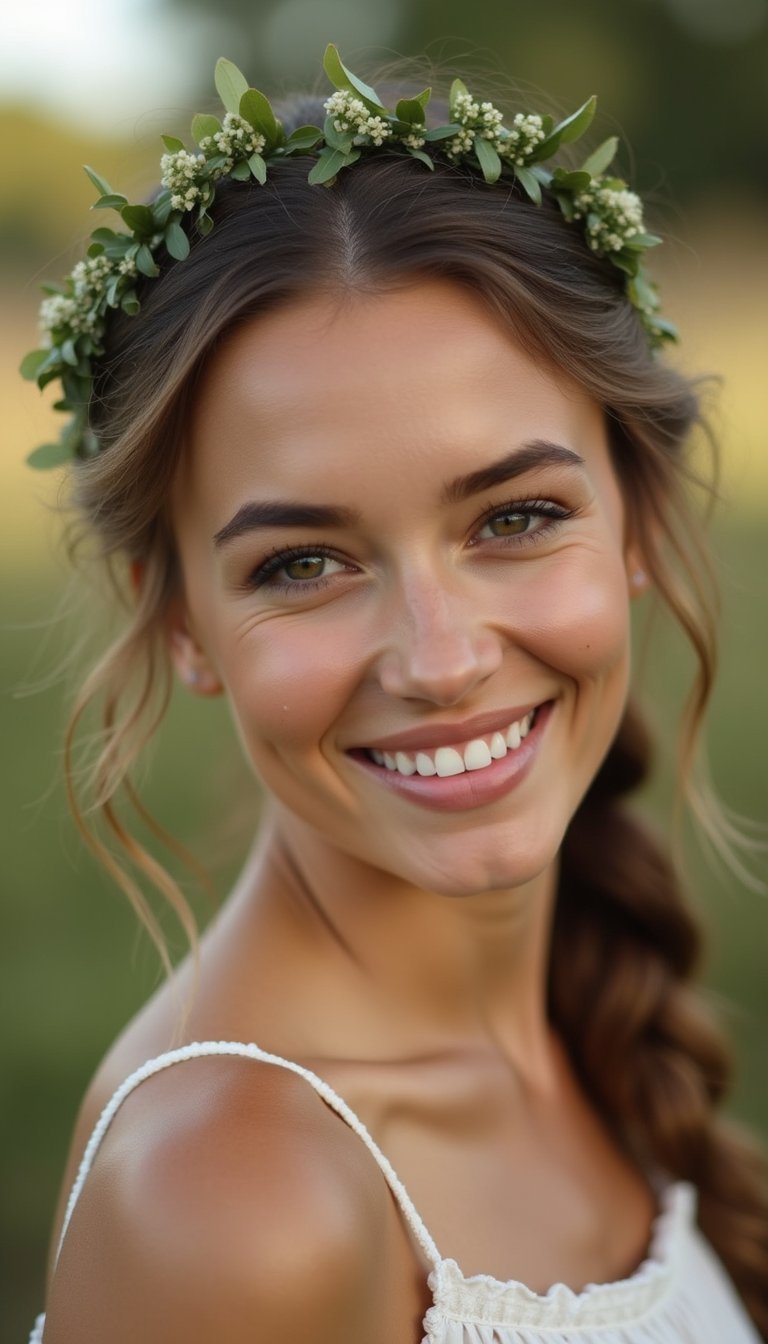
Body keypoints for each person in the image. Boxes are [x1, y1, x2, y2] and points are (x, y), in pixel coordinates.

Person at [22, 45, 768, 1344]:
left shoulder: (581, 1040)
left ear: (637, 520)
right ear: (182, 617)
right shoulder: (238, 1204)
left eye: (517, 517)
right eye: (303, 563)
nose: (438, 658)